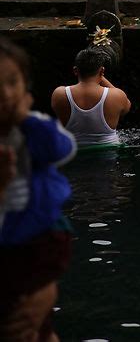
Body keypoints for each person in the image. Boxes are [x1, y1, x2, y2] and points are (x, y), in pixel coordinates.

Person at [0, 37, 76, 342]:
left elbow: (63, 147)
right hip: (16, 239)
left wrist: (28, 123)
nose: (5, 94)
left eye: (12, 82)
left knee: (33, 324)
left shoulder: (31, 126)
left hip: (33, 235)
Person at [51, 48, 131, 147]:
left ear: (75, 70)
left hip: (73, 153)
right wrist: (101, 76)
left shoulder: (60, 94)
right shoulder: (116, 96)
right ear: (102, 71)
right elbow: (127, 107)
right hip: (107, 155)